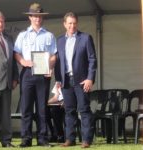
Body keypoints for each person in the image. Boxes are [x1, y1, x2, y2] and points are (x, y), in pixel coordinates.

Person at [14, 3, 57, 147]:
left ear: (42, 18)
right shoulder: (22, 35)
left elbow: (54, 56)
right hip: (27, 74)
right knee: (26, 108)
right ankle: (26, 138)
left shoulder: (49, 35)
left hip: (43, 75)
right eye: (35, 16)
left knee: (42, 108)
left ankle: (42, 138)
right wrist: (23, 61)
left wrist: (49, 67)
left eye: (40, 16)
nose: (37, 19)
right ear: (30, 17)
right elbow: (16, 53)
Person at [55, 12, 97, 148]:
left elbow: (92, 59)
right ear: (64, 24)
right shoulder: (60, 40)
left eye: (74, 23)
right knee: (69, 111)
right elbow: (58, 62)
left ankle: (86, 140)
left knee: (84, 110)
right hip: (66, 80)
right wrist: (58, 80)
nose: (72, 26)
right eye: (69, 23)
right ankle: (70, 139)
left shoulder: (85, 38)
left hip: (82, 80)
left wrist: (90, 79)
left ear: (77, 24)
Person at [0, 10, 19, 147]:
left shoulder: (9, 38)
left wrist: (15, 77)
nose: (0, 24)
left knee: (5, 115)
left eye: (2, 21)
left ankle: (6, 140)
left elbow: (13, 61)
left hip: (8, 83)